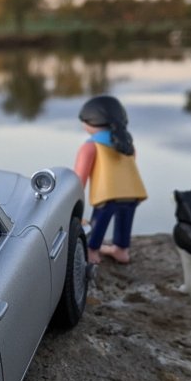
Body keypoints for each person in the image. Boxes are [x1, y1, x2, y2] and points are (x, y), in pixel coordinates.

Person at [74, 95, 147, 265]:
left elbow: (78, 179)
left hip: (108, 194)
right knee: (125, 221)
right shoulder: (128, 145)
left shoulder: (90, 146)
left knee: (99, 223)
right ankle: (121, 250)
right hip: (132, 192)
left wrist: (74, 202)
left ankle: (92, 251)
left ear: (91, 121)